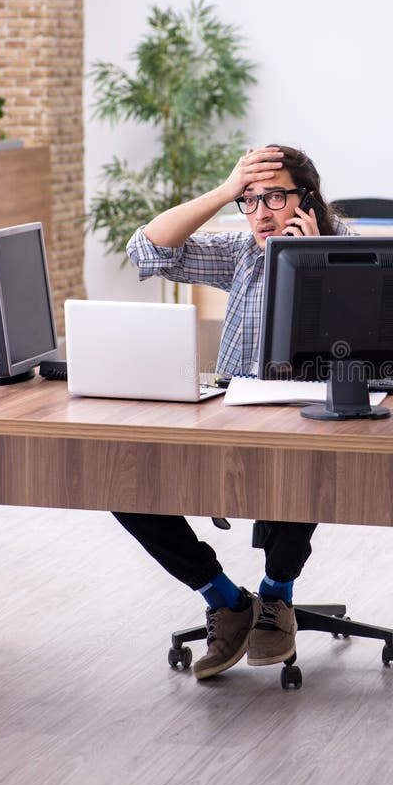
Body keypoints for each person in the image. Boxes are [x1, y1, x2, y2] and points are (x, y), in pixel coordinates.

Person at [116, 144, 351, 681]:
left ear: (308, 200)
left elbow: (372, 360)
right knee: (119, 479)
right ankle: (225, 598)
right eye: (251, 201)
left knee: (303, 459)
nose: (263, 213)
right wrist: (225, 191)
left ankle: (276, 596)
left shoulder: (349, 251)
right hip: (225, 422)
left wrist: (314, 267)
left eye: (275, 197)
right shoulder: (243, 251)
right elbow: (145, 251)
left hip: (300, 429)